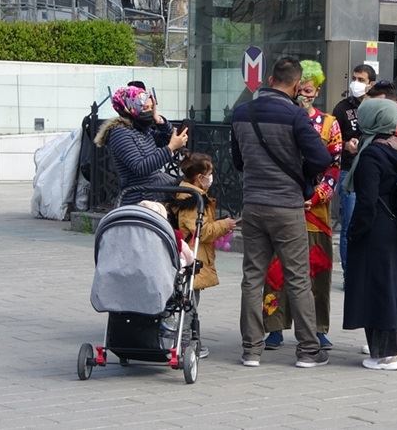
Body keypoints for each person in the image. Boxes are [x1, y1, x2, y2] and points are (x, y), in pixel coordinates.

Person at [231, 56, 333, 368]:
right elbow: (321, 158)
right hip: (287, 207)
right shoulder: (295, 116)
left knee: (252, 277)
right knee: (298, 278)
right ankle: (307, 351)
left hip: (254, 205)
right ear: (294, 84)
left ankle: (251, 350)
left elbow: (237, 162)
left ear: (271, 78)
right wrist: (300, 173)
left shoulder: (241, 112)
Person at [262, 60, 342, 351]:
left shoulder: (330, 124)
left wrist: (319, 195)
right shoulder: (283, 117)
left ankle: (318, 327)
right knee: (276, 268)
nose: (305, 95)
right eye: (301, 90)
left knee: (317, 269)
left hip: (316, 211)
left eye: (310, 90)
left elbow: (334, 166)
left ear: (317, 90)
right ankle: (273, 326)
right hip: (284, 203)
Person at [341, 98, 397, 371]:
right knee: (395, 284)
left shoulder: (371, 154)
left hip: (377, 230)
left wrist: (354, 232)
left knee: (378, 288)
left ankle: (387, 354)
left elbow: (367, 201)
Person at [170, 152, 238, 359]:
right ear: (200, 177)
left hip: (192, 255)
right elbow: (203, 231)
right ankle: (184, 343)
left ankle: (190, 340)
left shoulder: (187, 193)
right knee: (188, 301)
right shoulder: (192, 199)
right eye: (210, 173)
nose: (212, 178)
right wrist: (225, 225)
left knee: (189, 300)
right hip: (191, 258)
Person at [93, 85, 188, 206]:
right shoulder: (120, 133)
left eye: (151, 107)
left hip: (156, 190)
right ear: (130, 108)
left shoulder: (141, 129)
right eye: (145, 107)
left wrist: (158, 120)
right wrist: (170, 148)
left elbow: (167, 138)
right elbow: (140, 167)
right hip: (141, 198)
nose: (149, 111)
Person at [332, 64, 376, 286]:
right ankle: (350, 272)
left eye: (362, 79)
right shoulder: (342, 108)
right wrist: (345, 144)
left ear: (371, 84)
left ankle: (366, 269)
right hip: (349, 170)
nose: (356, 83)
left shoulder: (377, 105)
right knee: (349, 222)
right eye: (355, 78)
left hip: (372, 172)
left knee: (370, 221)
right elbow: (332, 138)